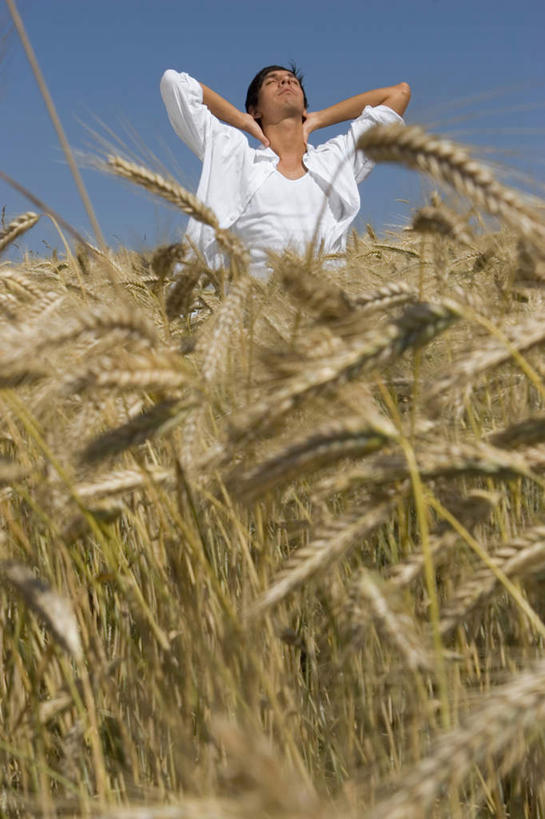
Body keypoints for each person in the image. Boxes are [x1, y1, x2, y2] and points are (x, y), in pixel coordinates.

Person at [160, 64, 411, 280]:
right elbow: (174, 83)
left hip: (325, 319)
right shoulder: (236, 156)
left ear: (304, 107)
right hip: (252, 320)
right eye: (273, 81)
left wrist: (320, 118)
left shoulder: (335, 161)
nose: (285, 81)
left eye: (292, 81)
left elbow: (399, 94)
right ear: (255, 110)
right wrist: (239, 119)